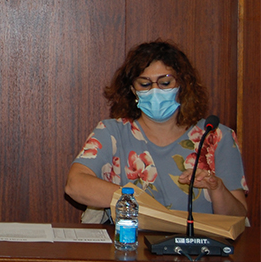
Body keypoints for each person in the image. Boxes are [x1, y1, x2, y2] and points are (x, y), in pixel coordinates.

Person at [65, 40, 248, 220]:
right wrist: (141, 203)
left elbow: (238, 217)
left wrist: (217, 188)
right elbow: (75, 185)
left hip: (199, 240)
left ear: (182, 85)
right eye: (145, 84)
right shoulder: (112, 132)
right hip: (130, 238)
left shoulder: (217, 136)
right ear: (133, 90)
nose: (155, 91)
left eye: (165, 83)